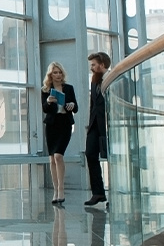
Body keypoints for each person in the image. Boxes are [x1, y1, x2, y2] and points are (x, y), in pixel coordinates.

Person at [41, 62, 78, 204]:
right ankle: (55, 190)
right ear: (50, 75)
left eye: (59, 72)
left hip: (65, 124)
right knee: (52, 159)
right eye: (55, 73)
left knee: (58, 156)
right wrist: (49, 102)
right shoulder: (45, 90)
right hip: (51, 125)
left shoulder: (69, 88)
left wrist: (72, 105)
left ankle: (61, 189)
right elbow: (45, 109)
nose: (58, 75)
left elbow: (75, 107)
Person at [84, 52, 111, 207]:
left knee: (112, 158)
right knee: (90, 154)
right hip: (95, 124)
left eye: (94, 64)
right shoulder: (94, 81)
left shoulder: (113, 78)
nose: (92, 67)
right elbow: (93, 104)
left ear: (102, 64)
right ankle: (98, 193)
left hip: (108, 124)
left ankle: (114, 193)